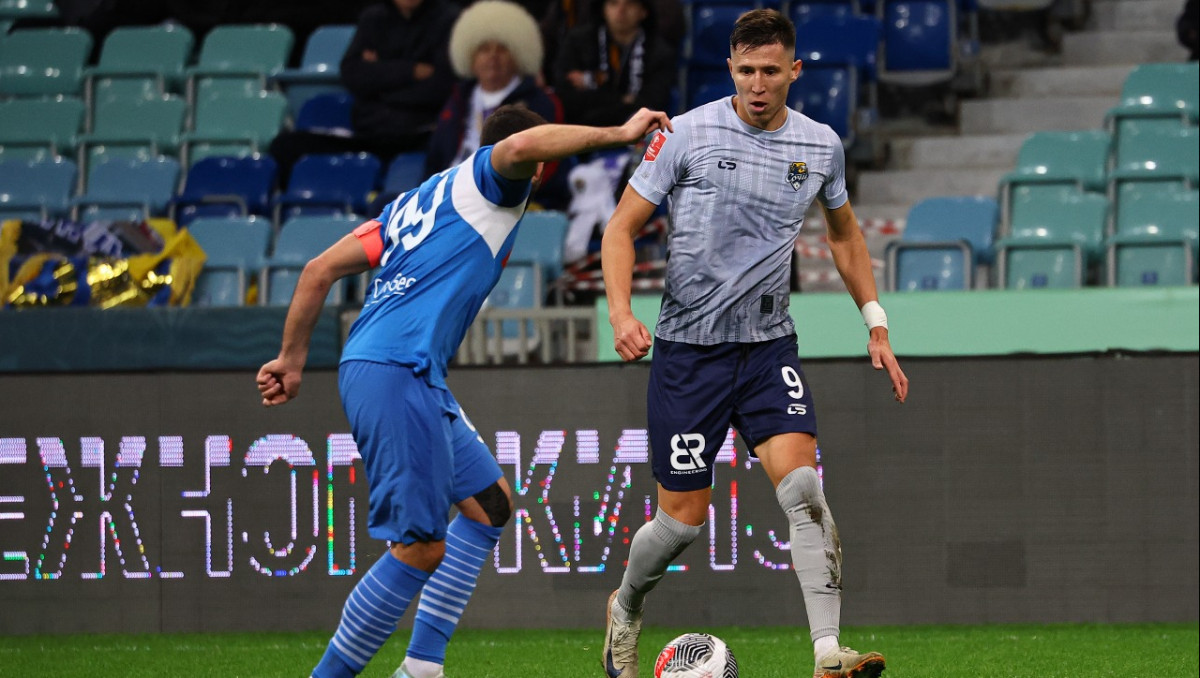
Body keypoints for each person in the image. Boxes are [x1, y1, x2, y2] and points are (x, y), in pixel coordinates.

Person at [256, 103, 672, 678]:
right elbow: (518, 148)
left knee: (489, 505)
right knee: (421, 546)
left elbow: (317, 271)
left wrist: (291, 359)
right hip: (395, 370)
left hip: (399, 368)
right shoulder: (496, 180)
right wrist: (617, 133)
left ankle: (422, 667)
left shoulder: (417, 201)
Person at [599, 9, 908, 678]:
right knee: (681, 523)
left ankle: (827, 653)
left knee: (804, 488)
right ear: (730, 70)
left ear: (795, 70)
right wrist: (620, 312)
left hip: (768, 350)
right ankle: (624, 607)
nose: (757, 84)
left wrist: (876, 321)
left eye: (770, 71)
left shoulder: (820, 144)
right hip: (689, 353)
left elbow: (845, 235)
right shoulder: (684, 134)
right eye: (746, 71)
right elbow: (620, 228)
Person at [267, 0, 459, 180]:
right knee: (286, 146)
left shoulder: (449, 20)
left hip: (419, 135)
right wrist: (411, 71)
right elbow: (352, 73)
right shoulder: (373, 19)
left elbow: (441, 87)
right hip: (367, 135)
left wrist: (378, 80)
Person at [552, 0, 677, 127]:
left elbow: (653, 102)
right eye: (613, 3)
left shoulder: (659, 52)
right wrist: (622, 99)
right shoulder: (578, 42)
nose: (621, 10)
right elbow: (566, 97)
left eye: (630, 4)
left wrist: (595, 95)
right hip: (582, 128)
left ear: (643, 12)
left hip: (636, 131)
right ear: (603, 9)